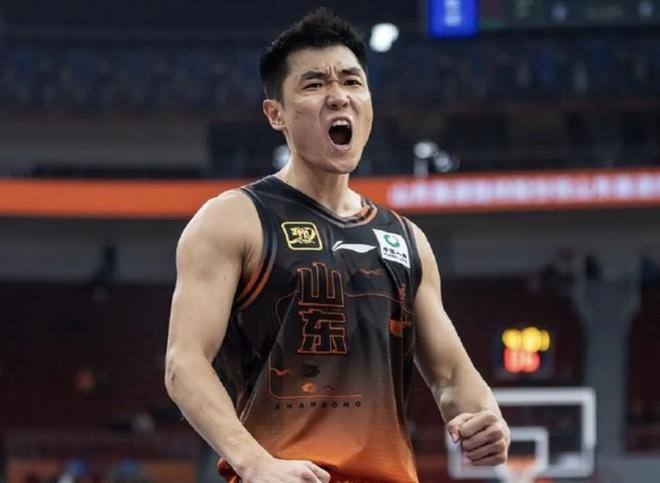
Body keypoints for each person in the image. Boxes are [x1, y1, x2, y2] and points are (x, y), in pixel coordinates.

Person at [165, 8, 509, 483]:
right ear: (275, 114)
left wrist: (485, 417)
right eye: (314, 84)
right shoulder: (233, 219)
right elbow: (184, 365)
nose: (338, 96)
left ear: (369, 102)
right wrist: (255, 462)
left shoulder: (406, 238)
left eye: (351, 81)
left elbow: (451, 375)